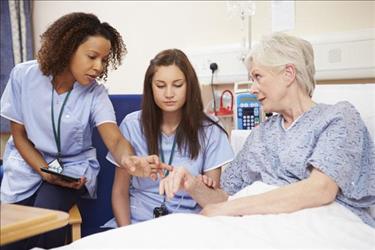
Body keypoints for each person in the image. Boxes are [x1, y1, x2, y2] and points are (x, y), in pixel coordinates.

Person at [158, 33, 375, 228]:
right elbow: (225, 199)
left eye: (257, 77)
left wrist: (227, 209)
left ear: (288, 73)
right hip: (262, 226)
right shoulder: (261, 134)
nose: (252, 89)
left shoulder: (339, 118)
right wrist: (192, 184)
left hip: (322, 224)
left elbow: (321, 190)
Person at [0, 12, 165, 249]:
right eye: (92, 57)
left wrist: (130, 161)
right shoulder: (23, 76)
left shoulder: (95, 94)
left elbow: (114, 138)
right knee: (12, 235)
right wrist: (43, 170)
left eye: (104, 60)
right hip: (28, 164)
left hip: (69, 171)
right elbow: (19, 135)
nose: (99, 67)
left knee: (47, 219)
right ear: (68, 48)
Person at [103, 49, 234, 227]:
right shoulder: (132, 125)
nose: (169, 94)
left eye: (178, 85)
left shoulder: (210, 129)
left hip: (186, 226)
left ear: (189, 86)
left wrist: (196, 185)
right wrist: (126, 235)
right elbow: (120, 192)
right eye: (160, 85)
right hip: (135, 225)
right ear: (150, 87)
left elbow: (214, 203)